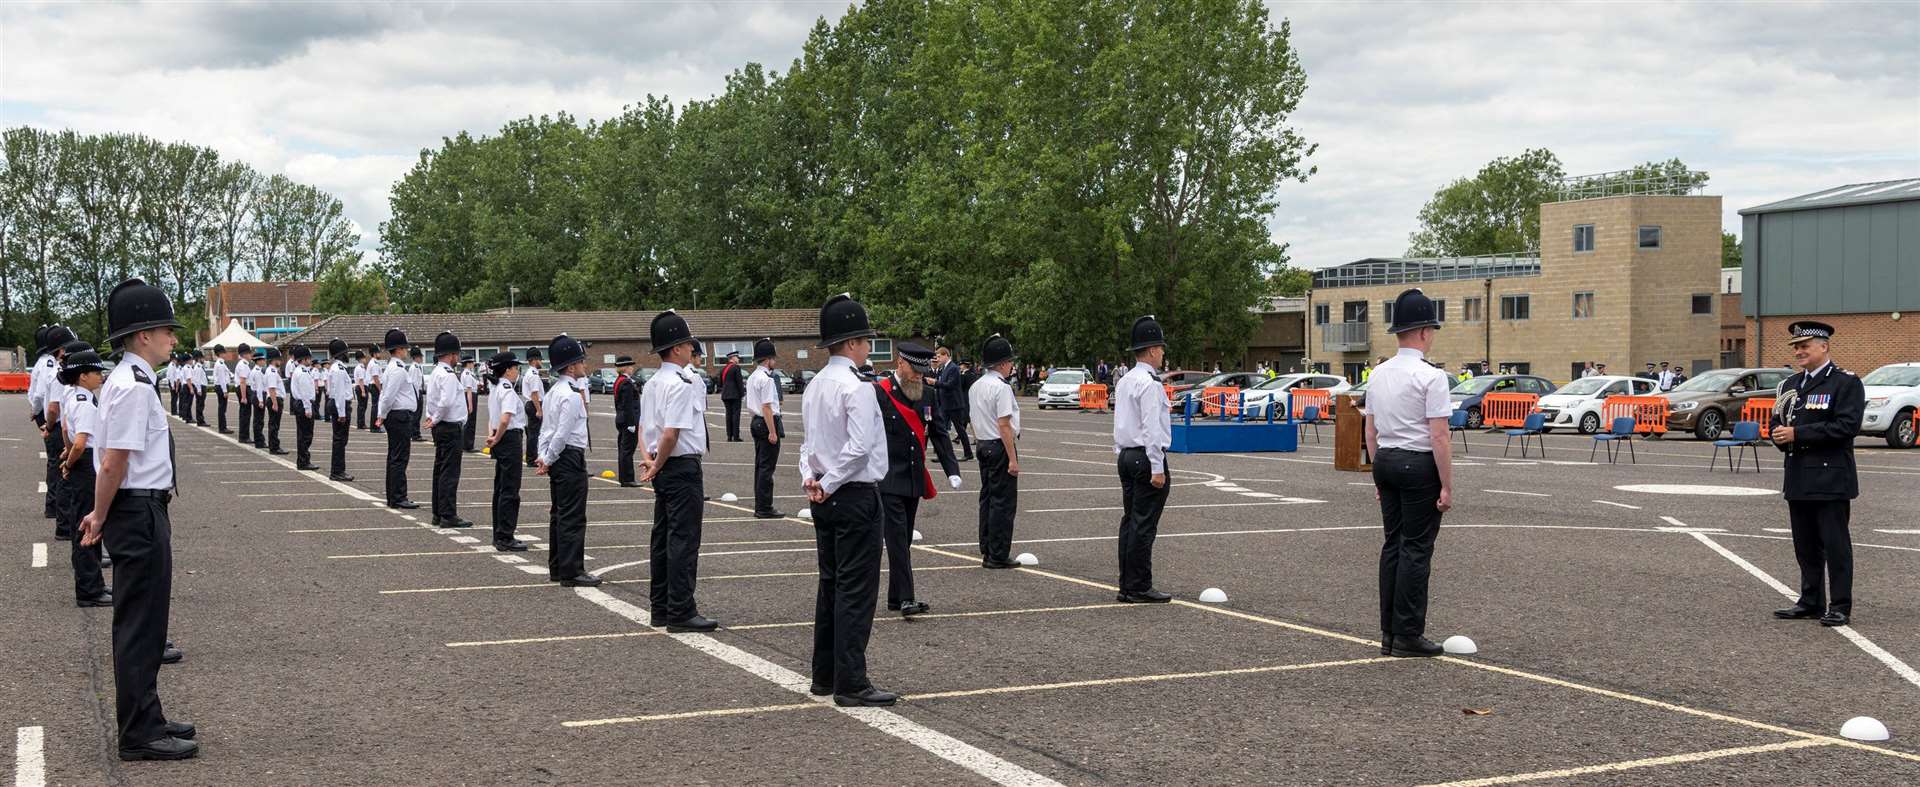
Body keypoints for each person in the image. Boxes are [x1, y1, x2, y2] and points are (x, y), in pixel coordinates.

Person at [76, 277, 198, 761]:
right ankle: (139, 732)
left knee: (147, 621)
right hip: (136, 508)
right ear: (143, 335)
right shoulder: (132, 388)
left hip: (143, 506)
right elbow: (114, 463)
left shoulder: (133, 382)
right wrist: (100, 516)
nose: (173, 338)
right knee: (140, 625)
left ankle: (147, 715)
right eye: (167, 329)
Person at [798, 293, 895, 706]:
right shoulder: (858, 387)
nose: (868, 345)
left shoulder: (816, 384)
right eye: (865, 338)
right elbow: (858, 448)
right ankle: (851, 681)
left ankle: (825, 674)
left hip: (824, 494)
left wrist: (812, 479)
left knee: (831, 585)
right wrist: (832, 481)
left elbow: (808, 445)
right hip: (852, 494)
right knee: (856, 590)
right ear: (853, 342)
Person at [1364, 288, 1455, 659]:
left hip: (1384, 458)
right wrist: (1447, 484)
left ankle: (1388, 631)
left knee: (1393, 546)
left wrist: (1377, 474)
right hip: (1418, 464)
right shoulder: (1432, 377)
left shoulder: (1378, 373)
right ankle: (1408, 632)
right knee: (1416, 549)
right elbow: (1439, 436)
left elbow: (1369, 430)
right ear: (1423, 332)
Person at [1769, 321, 1864, 628]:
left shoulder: (1845, 383)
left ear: (1823, 347)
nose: (1799, 351)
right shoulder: (1789, 385)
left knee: (1835, 546)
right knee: (1805, 546)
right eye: (1795, 346)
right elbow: (1777, 421)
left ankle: (1840, 605)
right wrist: (1779, 436)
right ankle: (1810, 601)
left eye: (1804, 346)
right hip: (1798, 476)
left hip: (1830, 478)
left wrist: (1798, 433)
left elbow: (1845, 427)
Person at [638, 310, 717, 631]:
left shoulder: (653, 383)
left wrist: (651, 460)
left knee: (663, 538)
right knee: (683, 539)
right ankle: (681, 610)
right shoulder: (682, 383)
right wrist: (658, 462)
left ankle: (661, 607)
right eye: (686, 343)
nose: (690, 348)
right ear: (676, 349)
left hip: (663, 466)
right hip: (680, 466)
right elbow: (672, 433)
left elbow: (645, 429)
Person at [873, 341, 962, 618]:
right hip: (887, 478)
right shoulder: (880, 393)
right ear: (901, 364)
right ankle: (908, 598)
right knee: (898, 539)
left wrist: (952, 470)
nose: (919, 377)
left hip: (912, 478)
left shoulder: (928, 395)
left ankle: (894, 597)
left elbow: (938, 433)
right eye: (915, 371)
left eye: (923, 372)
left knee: (904, 540)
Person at [1113, 316, 1174, 603]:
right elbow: (1151, 427)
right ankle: (1139, 585)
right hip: (1145, 456)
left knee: (1130, 521)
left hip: (1126, 454)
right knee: (1143, 525)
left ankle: (1127, 584)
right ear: (1151, 350)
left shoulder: (1126, 380)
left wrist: (1120, 453)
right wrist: (1157, 465)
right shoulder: (1150, 384)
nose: (1163, 353)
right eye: (1160, 348)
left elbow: (1120, 421)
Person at [534, 334, 597, 585]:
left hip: (557, 455)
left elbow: (545, 429)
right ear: (571, 366)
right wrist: (548, 458)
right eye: (580, 360)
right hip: (568, 455)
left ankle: (558, 566)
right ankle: (572, 571)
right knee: (572, 515)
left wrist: (542, 455)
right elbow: (562, 432)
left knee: (558, 513)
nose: (583, 364)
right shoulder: (571, 394)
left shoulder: (552, 392)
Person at [58, 341, 112, 607]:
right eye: (96, 372)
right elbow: (80, 442)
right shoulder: (84, 402)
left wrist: (68, 458)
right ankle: (90, 589)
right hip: (87, 466)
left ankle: (93, 583)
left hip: (82, 464)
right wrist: (70, 462)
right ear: (83, 375)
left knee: (84, 523)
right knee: (88, 525)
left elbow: (66, 430)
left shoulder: (75, 397)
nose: (100, 376)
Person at [970, 333, 1022, 569]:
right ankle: (998, 554)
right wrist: (1012, 458)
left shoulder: (976, 385)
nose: (1012, 365)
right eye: (1010, 361)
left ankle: (987, 548)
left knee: (987, 499)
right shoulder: (1001, 388)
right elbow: (1004, 425)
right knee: (1003, 502)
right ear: (1002, 363)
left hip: (982, 443)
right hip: (998, 445)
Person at [422, 332, 472, 529]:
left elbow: (432, 400)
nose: (458, 358)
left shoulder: (436, 372)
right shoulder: (449, 375)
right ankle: (448, 514)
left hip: (441, 426)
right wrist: (434, 419)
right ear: (451, 354)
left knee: (440, 471)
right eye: (457, 354)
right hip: (449, 427)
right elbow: (446, 402)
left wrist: (431, 417)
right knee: (449, 473)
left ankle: (438, 512)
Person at [31, 326, 78, 526]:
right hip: (58, 426)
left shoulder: (53, 369)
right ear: (61, 351)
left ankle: (56, 510)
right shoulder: (59, 374)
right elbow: (53, 407)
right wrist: (49, 426)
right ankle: (62, 518)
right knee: (61, 471)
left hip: (56, 425)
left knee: (56, 468)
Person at [485, 352, 530, 552]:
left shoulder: (495, 388)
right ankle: (505, 536)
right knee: (510, 490)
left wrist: (492, 436)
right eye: (515, 368)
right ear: (507, 370)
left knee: (501, 488)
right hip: (509, 438)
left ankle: (499, 532)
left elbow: (492, 418)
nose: (517, 372)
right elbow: (505, 418)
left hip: (500, 437)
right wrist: (498, 436)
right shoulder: (506, 389)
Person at [374, 329, 421, 509]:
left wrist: (382, 414)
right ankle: (398, 496)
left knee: (396, 457)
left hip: (397, 416)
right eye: (405, 348)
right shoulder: (398, 370)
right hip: (399, 416)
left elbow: (386, 394)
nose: (407, 351)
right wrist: (382, 415)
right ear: (399, 349)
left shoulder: (394, 368)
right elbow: (388, 396)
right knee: (399, 458)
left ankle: (395, 496)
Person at [745, 338, 786, 518]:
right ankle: (765, 506)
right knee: (767, 468)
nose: (774, 362)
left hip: (756, 421)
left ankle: (760, 504)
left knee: (760, 466)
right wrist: (772, 431)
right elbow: (767, 407)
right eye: (773, 359)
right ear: (768, 359)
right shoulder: (767, 379)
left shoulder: (753, 376)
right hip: (767, 421)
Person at [933, 346, 973, 461]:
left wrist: (936, 382)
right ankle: (943, 455)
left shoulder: (953, 368)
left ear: (946, 355)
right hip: (945, 404)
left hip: (954, 404)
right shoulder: (944, 368)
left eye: (939, 356)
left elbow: (950, 385)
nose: (938, 359)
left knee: (959, 429)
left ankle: (968, 453)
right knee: (942, 429)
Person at [324, 339, 355, 481]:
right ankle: (337, 471)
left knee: (340, 440)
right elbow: (340, 393)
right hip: (339, 406)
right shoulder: (339, 369)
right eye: (346, 352)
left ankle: (338, 470)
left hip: (337, 404)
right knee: (340, 440)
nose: (348, 355)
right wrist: (342, 413)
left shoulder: (336, 368)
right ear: (342, 353)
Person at [288, 346, 318, 469]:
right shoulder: (303, 372)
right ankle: (304, 461)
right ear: (304, 359)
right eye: (309, 358)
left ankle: (303, 460)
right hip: (304, 403)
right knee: (306, 435)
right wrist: (308, 408)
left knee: (303, 434)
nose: (310, 360)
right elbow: (305, 392)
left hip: (300, 403)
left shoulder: (299, 371)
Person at [612, 356, 641, 487]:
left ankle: (624, 477)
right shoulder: (626, 383)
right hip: (628, 420)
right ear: (625, 367)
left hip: (621, 418)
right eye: (630, 366)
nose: (632, 368)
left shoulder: (620, 380)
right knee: (627, 450)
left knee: (624, 449)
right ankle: (627, 478)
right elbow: (628, 404)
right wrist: (631, 423)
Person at [522, 349, 545, 468]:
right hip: (534, 404)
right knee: (534, 434)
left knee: (532, 432)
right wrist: (539, 410)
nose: (541, 361)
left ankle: (531, 457)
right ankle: (532, 458)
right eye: (540, 359)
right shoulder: (534, 375)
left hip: (531, 404)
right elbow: (534, 393)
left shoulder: (529, 373)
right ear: (535, 360)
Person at [262, 347, 287, 455]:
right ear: (273, 360)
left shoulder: (271, 370)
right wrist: (275, 403)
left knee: (274, 424)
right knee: (274, 425)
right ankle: (274, 447)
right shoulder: (272, 371)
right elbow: (272, 388)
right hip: (275, 399)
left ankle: (274, 445)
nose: (280, 361)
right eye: (279, 359)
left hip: (274, 398)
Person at [720, 349, 747, 442]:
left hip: (725, 394)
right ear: (732, 358)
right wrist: (742, 393)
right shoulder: (736, 368)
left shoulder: (724, 368)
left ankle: (729, 436)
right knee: (736, 415)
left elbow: (720, 382)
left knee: (728, 415)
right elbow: (739, 382)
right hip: (735, 395)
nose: (738, 359)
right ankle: (736, 436)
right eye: (737, 357)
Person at [211, 344, 234, 433]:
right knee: (222, 408)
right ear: (220, 353)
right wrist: (225, 391)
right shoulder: (220, 364)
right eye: (224, 352)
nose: (226, 354)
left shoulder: (221, 363)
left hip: (221, 386)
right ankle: (222, 428)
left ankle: (223, 427)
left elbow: (228, 373)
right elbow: (222, 379)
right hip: (221, 387)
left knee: (222, 408)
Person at [235, 343, 254, 444]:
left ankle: (244, 436)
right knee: (245, 414)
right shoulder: (243, 365)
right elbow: (242, 381)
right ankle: (244, 436)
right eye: (249, 353)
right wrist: (244, 396)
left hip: (244, 388)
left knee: (245, 413)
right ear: (245, 354)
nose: (251, 355)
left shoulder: (243, 364)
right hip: (244, 389)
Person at [363, 345, 385, 433]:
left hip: (373, 385)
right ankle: (374, 427)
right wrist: (380, 389)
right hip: (375, 386)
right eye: (378, 352)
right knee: (376, 407)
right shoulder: (374, 364)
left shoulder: (373, 362)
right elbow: (376, 378)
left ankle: (374, 426)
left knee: (375, 406)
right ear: (374, 353)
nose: (380, 354)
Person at [460, 359, 481, 452]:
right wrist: (470, 404)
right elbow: (468, 390)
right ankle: (468, 445)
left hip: (472, 395)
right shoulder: (467, 374)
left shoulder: (469, 373)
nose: (473, 364)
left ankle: (467, 444)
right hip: (470, 396)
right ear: (468, 364)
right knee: (470, 421)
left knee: (470, 421)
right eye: (472, 363)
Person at [189, 350, 209, 426]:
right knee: (200, 405)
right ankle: (200, 421)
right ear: (199, 358)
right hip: (200, 387)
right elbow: (197, 379)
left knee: (201, 404)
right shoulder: (198, 367)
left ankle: (200, 420)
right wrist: (199, 389)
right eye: (202, 358)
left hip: (202, 386)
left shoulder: (199, 367)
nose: (203, 359)